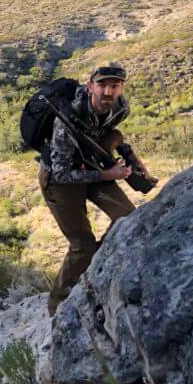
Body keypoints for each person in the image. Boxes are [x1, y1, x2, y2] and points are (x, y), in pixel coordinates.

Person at [39, 64, 136, 316]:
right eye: (102, 85)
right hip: (60, 179)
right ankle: (57, 307)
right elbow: (61, 171)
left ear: (121, 89)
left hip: (90, 165)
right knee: (82, 245)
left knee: (127, 218)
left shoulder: (121, 108)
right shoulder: (68, 118)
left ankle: (97, 266)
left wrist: (123, 154)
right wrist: (109, 174)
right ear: (90, 86)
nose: (107, 91)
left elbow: (110, 133)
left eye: (114, 86)